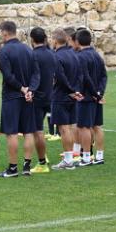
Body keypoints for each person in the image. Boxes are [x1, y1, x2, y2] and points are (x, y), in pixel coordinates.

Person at [0, 21, 40, 178]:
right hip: (28, 96)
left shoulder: (3, 51)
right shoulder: (29, 50)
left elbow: (8, 76)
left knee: (12, 132)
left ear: (5, 33)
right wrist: (31, 90)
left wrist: (22, 89)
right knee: (28, 131)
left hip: (12, 96)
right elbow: (36, 73)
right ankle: (26, 166)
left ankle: (13, 168)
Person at [50, 29, 83, 170]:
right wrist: (76, 90)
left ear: (55, 41)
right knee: (69, 127)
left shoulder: (56, 56)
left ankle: (68, 160)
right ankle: (70, 158)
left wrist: (71, 91)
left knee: (64, 129)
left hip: (61, 96)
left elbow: (60, 77)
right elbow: (81, 74)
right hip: (72, 95)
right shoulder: (73, 54)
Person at [74, 29, 105, 167]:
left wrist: (94, 94)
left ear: (78, 41)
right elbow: (104, 76)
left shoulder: (81, 56)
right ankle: (99, 155)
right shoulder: (97, 55)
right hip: (96, 97)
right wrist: (100, 93)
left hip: (87, 97)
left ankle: (86, 157)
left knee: (84, 127)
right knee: (97, 126)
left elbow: (85, 77)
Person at [28, 27, 56, 174]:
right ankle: (44, 156)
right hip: (50, 95)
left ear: (32, 40)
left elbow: (31, 76)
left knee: (37, 131)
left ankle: (42, 163)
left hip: (37, 97)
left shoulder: (32, 55)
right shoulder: (52, 54)